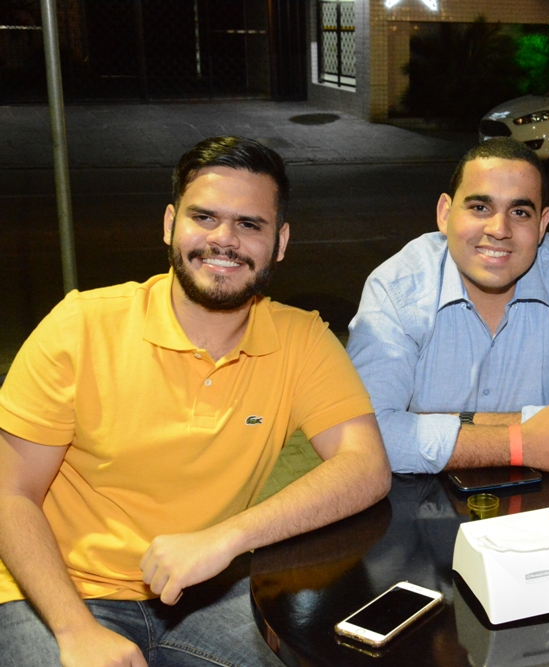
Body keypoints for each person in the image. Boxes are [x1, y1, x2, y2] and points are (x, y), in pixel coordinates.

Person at [0, 136, 391, 667]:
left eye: (249, 224)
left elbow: (365, 466)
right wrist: (76, 632)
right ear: (169, 224)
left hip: (208, 590)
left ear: (280, 242)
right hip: (59, 593)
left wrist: (228, 538)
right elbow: (11, 493)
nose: (224, 240)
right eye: (204, 217)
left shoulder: (301, 339)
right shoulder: (81, 327)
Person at [347, 137, 549, 474]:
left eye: (519, 212)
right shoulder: (397, 288)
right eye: (480, 208)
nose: (499, 230)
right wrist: (521, 442)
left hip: (542, 499)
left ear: (542, 225)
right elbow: (362, 438)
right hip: (420, 497)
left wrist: (429, 424)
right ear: (445, 214)